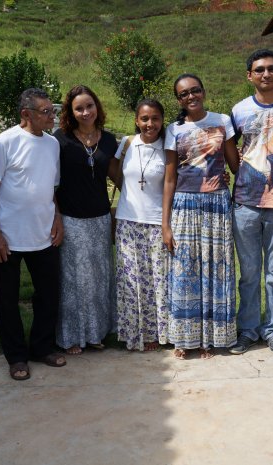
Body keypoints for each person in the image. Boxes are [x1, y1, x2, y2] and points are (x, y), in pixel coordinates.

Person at [0, 87, 66, 381]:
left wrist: (57, 217)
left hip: (44, 234)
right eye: (46, 112)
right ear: (26, 114)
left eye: (53, 111)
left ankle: (42, 347)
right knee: (8, 299)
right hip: (9, 237)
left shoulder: (52, 144)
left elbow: (50, 188)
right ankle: (17, 357)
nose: (52, 117)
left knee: (48, 295)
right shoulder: (6, 141)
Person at [162, 73, 239, 360]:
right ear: (178, 100)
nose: (190, 96)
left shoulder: (222, 121)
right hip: (184, 206)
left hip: (216, 204)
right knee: (185, 271)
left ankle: (211, 338)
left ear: (203, 92)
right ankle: (185, 336)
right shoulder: (174, 129)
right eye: (184, 94)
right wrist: (166, 224)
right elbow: (170, 178)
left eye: (195, 90)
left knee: (215, 270)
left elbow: (234, 164)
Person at [228, 49, 273, 357]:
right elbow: (229, 150)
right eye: (259, 69)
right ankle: (248, 329)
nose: (266, 74)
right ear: (250, 75)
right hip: (246, 202)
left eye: (271, 68)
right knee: (249, 272)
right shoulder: (239, 110)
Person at [53, 85, 118, 355]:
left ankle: (94, 334)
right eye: (78, 108)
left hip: (100, 218)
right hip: (71, 219)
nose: (85, 112)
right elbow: (50, 183)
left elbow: (119, 177)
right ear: (70, 112)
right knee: (74, 281)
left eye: (89, 106)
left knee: (99, 278)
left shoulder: (108, 140)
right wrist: (56, 217)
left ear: (97, 107)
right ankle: (71, 337)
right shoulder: (60, 140)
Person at [114, 99, 169, 351]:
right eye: (145, 118)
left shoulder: (167, 146)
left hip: (157, 222)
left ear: (162, 120)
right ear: (137, 120)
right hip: (128, 221)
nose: (150, 124)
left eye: (155, 118)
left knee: (158, 280)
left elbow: (172, 182)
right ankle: (135, 333)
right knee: (131, 280)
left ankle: (159, 334)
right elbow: (116, 174)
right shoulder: (127, 144)